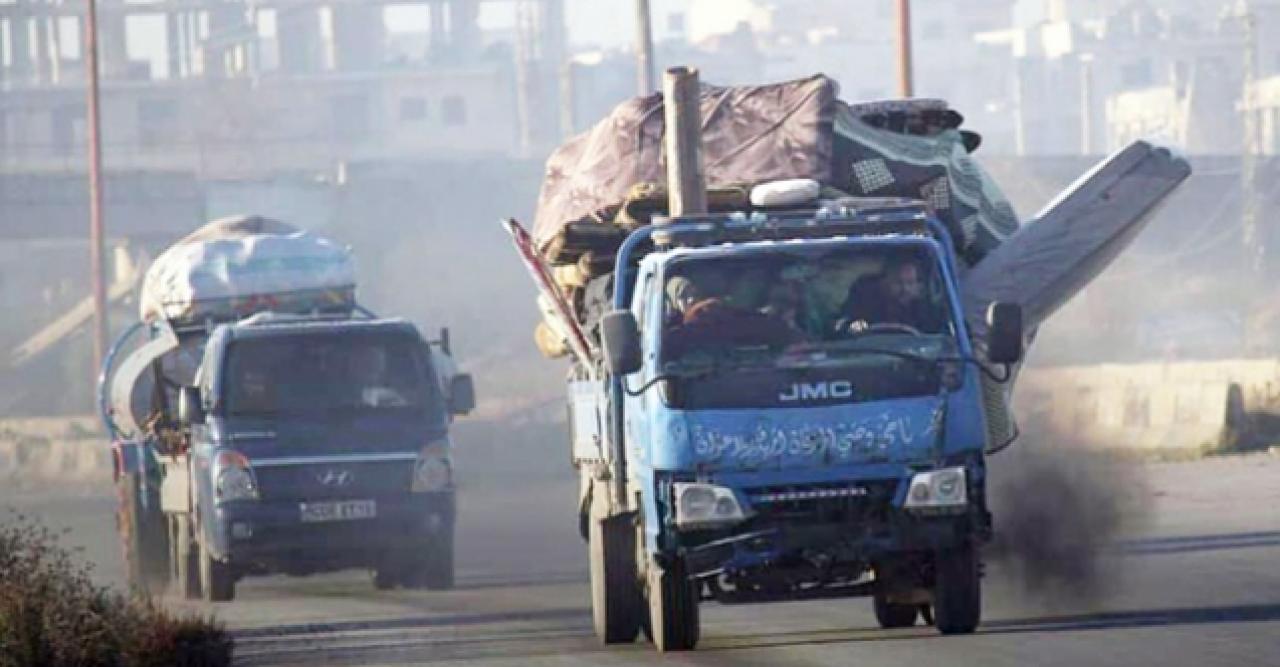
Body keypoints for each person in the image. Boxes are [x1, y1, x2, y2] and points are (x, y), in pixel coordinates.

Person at [836, 257, 945, 335]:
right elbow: (841, 325)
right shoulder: (865, 305)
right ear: (884, 283)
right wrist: (852, 326)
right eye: (898, 282)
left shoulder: (929, 313)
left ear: (919, 286)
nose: (905, 289)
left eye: (910, 283)